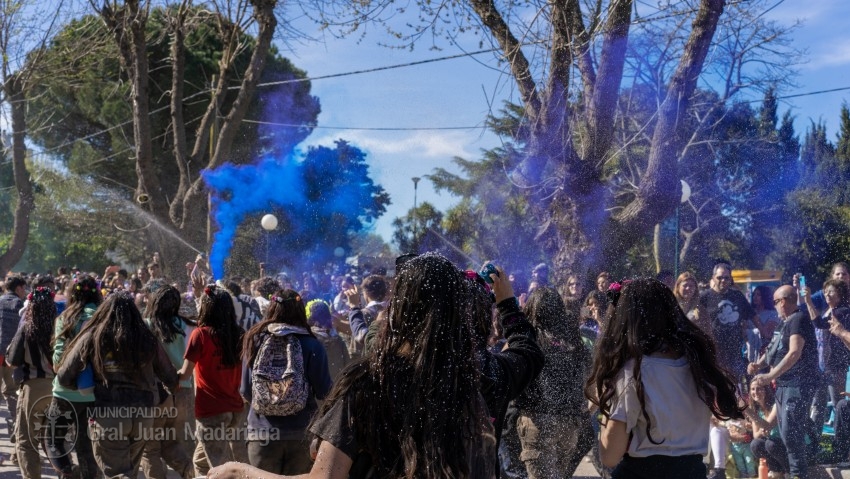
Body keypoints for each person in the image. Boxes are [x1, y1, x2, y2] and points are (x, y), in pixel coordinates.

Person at [207, 252, 543, 479]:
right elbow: (528, 352)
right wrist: (508, 302)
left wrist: (239, 472)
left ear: (399, 310)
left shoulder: (371, 384)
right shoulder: (486, 375)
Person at [586, 278, 744, 479]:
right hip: (692, 472)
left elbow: (609, 456)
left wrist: (606, 411)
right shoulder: (697, 363)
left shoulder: (633, 371)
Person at [57, 291, 179, 479]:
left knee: (117, 474)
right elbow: (170, 377)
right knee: (129, 472)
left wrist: (86, 387)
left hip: (109, 415)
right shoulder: (147, 338)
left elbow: (64, 376)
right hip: (143, 416)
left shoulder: (93, 336)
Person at [240, 290, 332, 474]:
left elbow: (245, 390)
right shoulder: (312, 344)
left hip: (262, 434)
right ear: (300, 310)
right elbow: (324, 391)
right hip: (301, 434)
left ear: (272, 308)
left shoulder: (255, 340)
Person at [514, 286, 592, 478]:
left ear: (532, 309)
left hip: (538, 422)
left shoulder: (529, 340)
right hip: (569, 424)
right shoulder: (572, 340)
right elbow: (588, 375)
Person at [700, 262, 765, 479]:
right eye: (719, 277)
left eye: (726, 278)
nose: (723, 281)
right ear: (713, 277)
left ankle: (738, 453)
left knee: (736, 401)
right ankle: (715, 461)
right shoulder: (705, 297)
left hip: (735, 358)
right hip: (712, 359)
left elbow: (752, 316)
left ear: (731, 279)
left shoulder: (737, 297)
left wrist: (764, 333)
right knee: (712, 405)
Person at [749, 285, 821, 479]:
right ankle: (790, 473)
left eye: (775, 302)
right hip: (784, 385)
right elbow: (774, 349)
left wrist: (770, 376)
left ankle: (799, 474)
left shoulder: (799, 318)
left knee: (791, 435)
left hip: (798, 384)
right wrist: (758, 365)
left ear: (784, 301)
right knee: (784, 434)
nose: (774, 306)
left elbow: (795, 352)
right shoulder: (784, 323)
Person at [177, 284, 248, 476]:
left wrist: (166, 376)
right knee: (199, 462)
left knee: (222, 471)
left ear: (206, 308)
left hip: (211, 413)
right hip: (235, 409)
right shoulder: (239, 333)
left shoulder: (200, 335)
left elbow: (184, 374)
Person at [45, 275, 102, 479]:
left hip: (64, 393)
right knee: (86, 448)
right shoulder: (102, 317)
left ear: (72, 293)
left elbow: (58, 359)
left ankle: (68, 474)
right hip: (93, 394)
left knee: (53, 440)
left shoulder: (65, 318)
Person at [140, 285, 196, 479]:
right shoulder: (188, 325)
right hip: (185, 390)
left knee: (151, 447)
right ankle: (192, 473)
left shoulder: (146, 325)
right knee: (172, 442)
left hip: (157, 393)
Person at [7, 286, 56, 478]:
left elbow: (12, 361)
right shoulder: (61, 326)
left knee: (27, 442)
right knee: (55, 441)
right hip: (58, 391)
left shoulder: (28, 327)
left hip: (33, 389)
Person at [744, 382, 788, 477]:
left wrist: (745, 409)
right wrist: (762, 431)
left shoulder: (776, 405)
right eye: (752, 389)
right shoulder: (756, 410)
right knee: (755, 444)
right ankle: (776, 470)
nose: (755, 392)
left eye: (759, 389)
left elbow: (767, 425)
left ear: (766, 390)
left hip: (786, 443)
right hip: (773, 444)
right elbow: (756, 435)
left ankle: (788, 471)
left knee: (770, 444)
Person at [0, 275, 26, 438]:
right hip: (12, 356)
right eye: (24, 288)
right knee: (12, 391)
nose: (25, 292)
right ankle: (16, 426)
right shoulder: (21, 305)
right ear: (18, 289)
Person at [305, 299, 350, 381]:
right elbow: (348, 365)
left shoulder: (309, 338)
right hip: (339, 385)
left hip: (320, 387)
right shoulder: (338, 339)